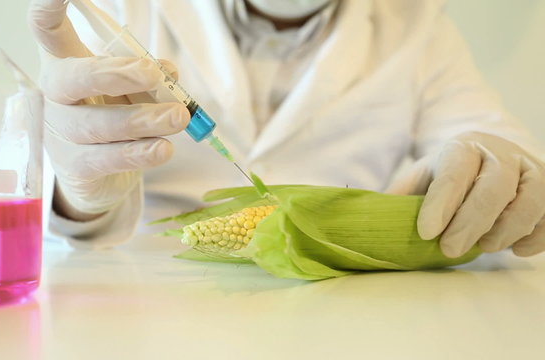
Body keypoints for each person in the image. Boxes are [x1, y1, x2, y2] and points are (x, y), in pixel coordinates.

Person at [28, 0, 545, 258]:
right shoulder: (124, 12)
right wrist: (79, 195)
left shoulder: (416, 24)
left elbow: (491, 140)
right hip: (144, 300)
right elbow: (45, 203)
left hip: (338, 318)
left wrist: (498, 164)